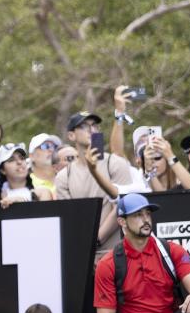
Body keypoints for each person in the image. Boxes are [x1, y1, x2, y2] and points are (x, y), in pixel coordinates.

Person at [55, 111, 133, 260]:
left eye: (94, 125)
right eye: (84, 126)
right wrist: (87, 246)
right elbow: (69, 217)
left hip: (119, 254)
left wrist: (97, 239)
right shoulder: (63, 177)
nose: (91, 130)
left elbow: (124, 205)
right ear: (71, 135)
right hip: (82, 256)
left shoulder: (116, 163)